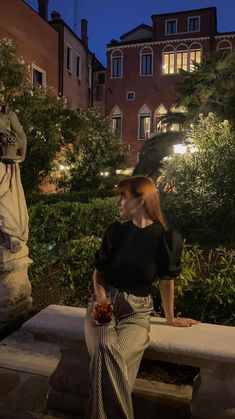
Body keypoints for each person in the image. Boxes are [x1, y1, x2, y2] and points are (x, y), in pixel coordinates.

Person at [85, 175, 197, 419]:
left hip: (137, 312)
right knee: (105, 346)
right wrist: (102, 301)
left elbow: (167, 282)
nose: (118, 203)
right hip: (105, 302)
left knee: (116, 362)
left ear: (140, 200)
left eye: (123, 197)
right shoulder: (116, 232)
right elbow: (99, 273)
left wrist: (170, 318)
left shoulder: (166, 239)